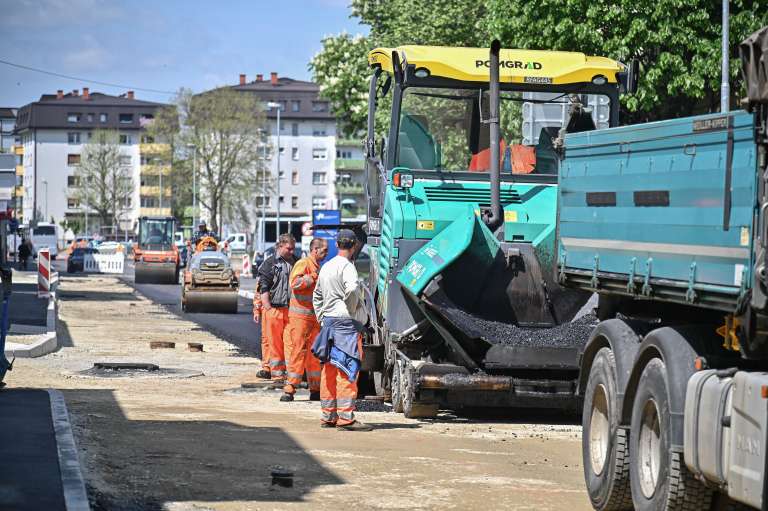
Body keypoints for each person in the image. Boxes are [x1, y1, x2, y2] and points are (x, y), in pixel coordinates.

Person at [311, 229, 371, 431]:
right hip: (345, 323)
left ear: (337, 245)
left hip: (328, 323)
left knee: (329, 369)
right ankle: (346, 419)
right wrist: (353, 310)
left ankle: (329, 416)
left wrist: (322, 316)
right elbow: (353, 289)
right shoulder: (347, 267)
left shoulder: (327, 266)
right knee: (346, 368)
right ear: (354, 246)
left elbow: (317, 295)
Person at [280, 238, 329, 402]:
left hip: (313, 318)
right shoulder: (304, 264)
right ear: (315, 250)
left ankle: (315, 388)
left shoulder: (318, 267)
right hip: (300, 317)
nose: (326, 253)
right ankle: (290, 388)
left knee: (315, 353)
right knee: (298, 350)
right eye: (324, 250)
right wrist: (312, 277)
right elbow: (295, 283)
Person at [254, 233, 297, 382]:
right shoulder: (269, 263)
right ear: (280, 246)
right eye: (289, 249)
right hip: (274, 310)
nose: (292, 252)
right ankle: (275, 372)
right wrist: (266, 308)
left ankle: (289, 372)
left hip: (291, 311)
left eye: (293, 249)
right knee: (273, 343)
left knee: (290, 343)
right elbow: (262, 288)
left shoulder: (296, 263)